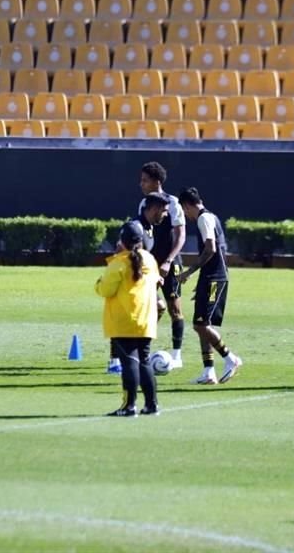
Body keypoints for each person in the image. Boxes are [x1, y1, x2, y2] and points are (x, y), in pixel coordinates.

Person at [177, 187, 242, 385]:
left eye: (184, 210)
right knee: (201, 325)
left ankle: (230, 358)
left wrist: (189, 272)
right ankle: (208, 371)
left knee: (201, 325)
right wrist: (201, 280)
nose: (185, 215)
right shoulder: (210, 217)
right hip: (209, 277)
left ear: (187, 206)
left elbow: (211, 249)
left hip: (215, 278)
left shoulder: (204, 219)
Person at [96, 220, 160, 417]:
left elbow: (105, 289)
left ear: (121, 240)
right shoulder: (149, 259)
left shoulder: (118, 263)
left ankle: (129, 405)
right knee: (144, 360)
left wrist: (99, 281)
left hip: (124, 320)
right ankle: (151, 404)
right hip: (146, 319)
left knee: (130, 362)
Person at [139, 162, 187, 367]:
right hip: (150, 265)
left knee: (174, 309)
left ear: (156, 182)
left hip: (171, 264)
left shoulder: (173, 203)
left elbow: (181, 235)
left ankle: (176, 356)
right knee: (151, 307)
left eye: (145, 180)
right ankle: (142, 349)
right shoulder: (143, 204)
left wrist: (168, 261)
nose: (141, 184)